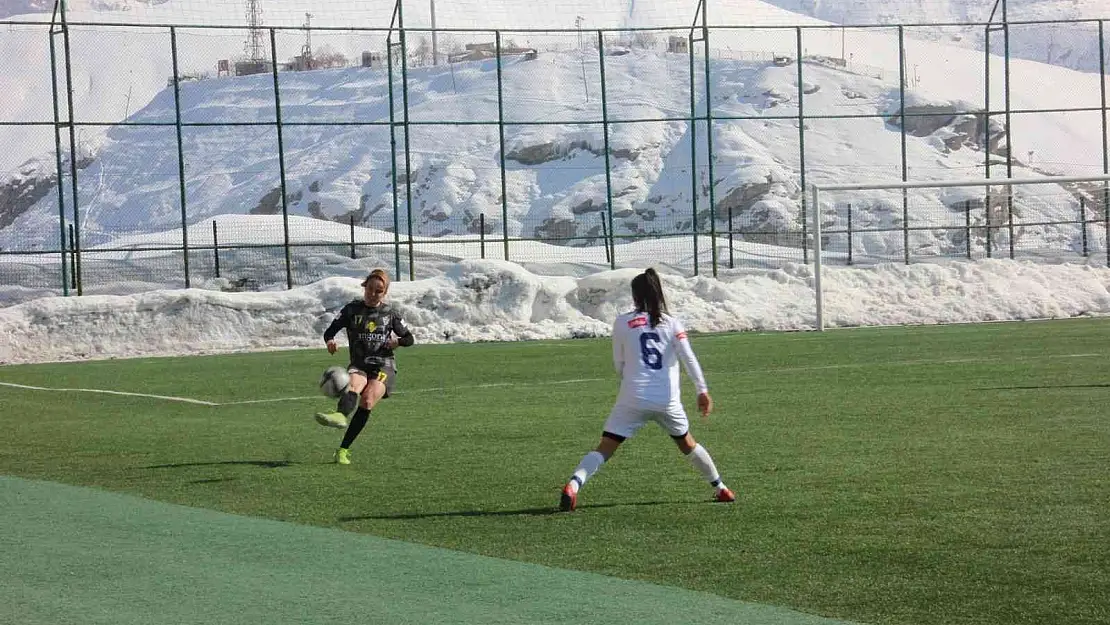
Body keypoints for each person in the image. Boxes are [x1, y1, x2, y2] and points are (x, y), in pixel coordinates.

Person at [559, 268, 734, 511]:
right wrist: (701, 390)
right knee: (688, 444)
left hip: (633, 396)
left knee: (605, 447)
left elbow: (618, 365)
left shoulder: (622, 323)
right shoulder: (672, 323)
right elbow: (689, 358)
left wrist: (631, 381)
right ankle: (721, 488)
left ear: (634, 296)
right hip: (667, 399)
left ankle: (574, 485)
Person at [314, 268, 415, 465]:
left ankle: (343, 450)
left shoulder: (390, 313)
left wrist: (398, 342)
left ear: (384, 293)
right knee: (354, 385)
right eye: (370, 288)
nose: (373, 294)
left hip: (384, 365)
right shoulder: (351, 310)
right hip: (359, 364)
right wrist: (330, 342)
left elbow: (409, 338)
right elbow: (329, 332)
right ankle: (340, 415)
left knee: (367, 401)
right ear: (364, 287)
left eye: (379, 291)